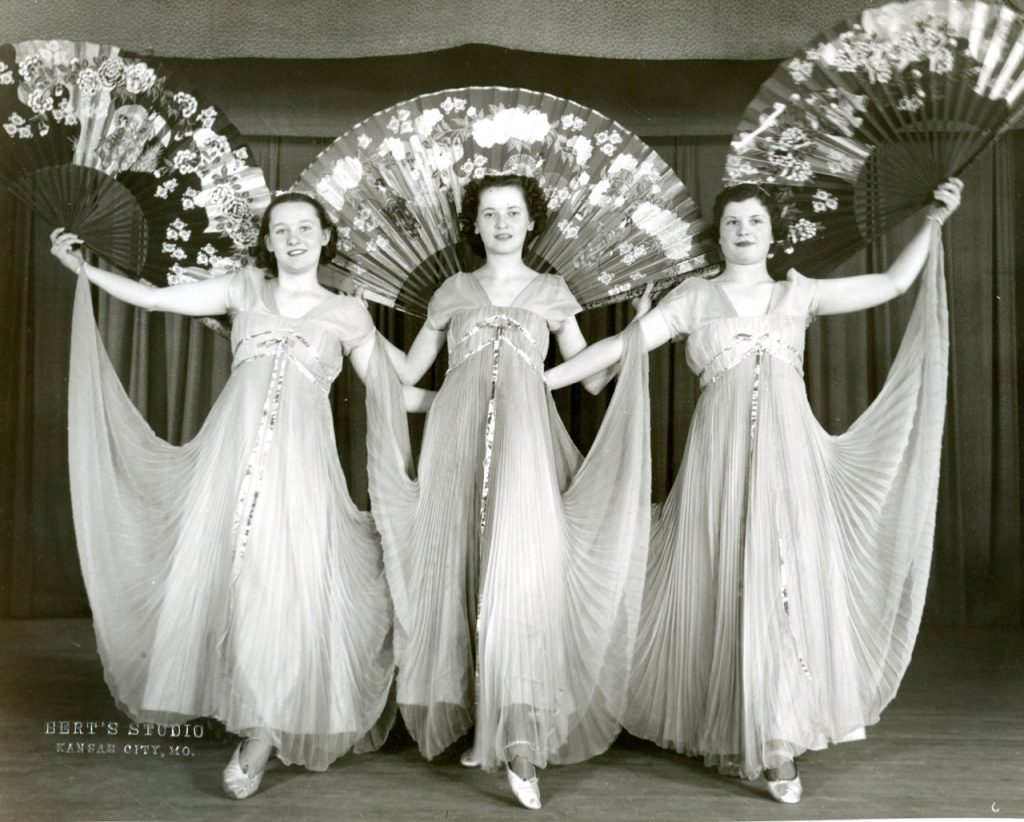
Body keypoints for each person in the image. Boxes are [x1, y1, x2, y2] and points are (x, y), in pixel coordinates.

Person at [545, 178, 963, 803]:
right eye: (733, 222)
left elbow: (891, 286)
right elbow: (618, 346)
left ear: (773, 233)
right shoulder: (692, 298)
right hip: (720, 465)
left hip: (791, 463)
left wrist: (933, 221)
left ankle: (776, 740)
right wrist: (540, 380)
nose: (744, 230)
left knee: (783, 584)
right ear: (720, 234)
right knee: (732, 583)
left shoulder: (799, 293)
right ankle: (759, 733)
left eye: (755, 221)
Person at [49, 191, 431, 799]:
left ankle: (260, 733)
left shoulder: (349, 314)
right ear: (269, 240)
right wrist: (83, 269)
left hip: (301, 476)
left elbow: (400, 389)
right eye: (282, 229)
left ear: (326, 237)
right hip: (228, 467)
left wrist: (473, 397)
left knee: (279, 587)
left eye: (306, 228)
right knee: (231, 581)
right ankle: (248, 714)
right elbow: (153, 299)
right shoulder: (242, 288)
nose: (295, 238)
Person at [362, 173, 651, 810]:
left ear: (530, 221)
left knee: (517, 577)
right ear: (474, 223)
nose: (501, 223)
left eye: (512, 212)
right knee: (463, 571)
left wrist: (637, 331)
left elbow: (592, 383)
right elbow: (408, 377)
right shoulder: (452, 291)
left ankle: (519, 736)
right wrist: (360, 327)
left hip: (526, 449)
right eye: (489, 213)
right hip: (454, 452)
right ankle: (481, 719)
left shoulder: (552, 291)